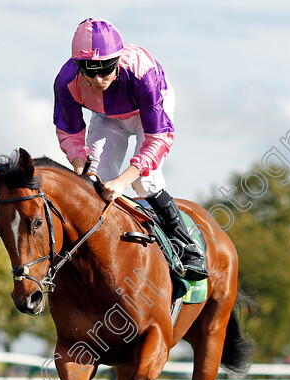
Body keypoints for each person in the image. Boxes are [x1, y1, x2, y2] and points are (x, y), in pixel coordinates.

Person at [53, 18, 208, 280]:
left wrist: (124, 181)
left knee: (145, 181)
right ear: (78, 65)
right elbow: (69, 132)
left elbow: (158, 138)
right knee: (94, 181)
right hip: (106, 116)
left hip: (147, 113)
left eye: (105, 69)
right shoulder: (66, 80)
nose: (98, 78)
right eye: (89, 71)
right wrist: (81, 165)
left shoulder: (142, 72)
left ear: (118, 59)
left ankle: (186, 246)